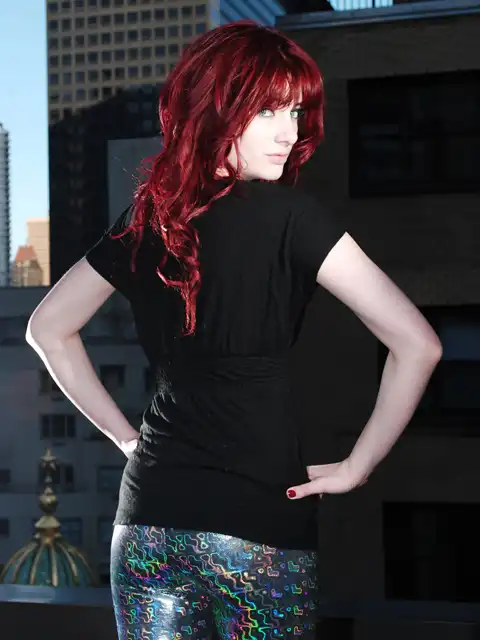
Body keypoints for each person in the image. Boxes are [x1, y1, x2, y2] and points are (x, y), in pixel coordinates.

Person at [26, 20, 442, 640]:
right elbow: (418, 343)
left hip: (148, 525)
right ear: (218, 108)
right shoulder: (292, 216)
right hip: (260, 529)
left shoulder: (151, 218)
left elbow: (48, 328)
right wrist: (358, 466)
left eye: (295, 112)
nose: (289, 132)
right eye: (268, 110)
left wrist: (127, 440)